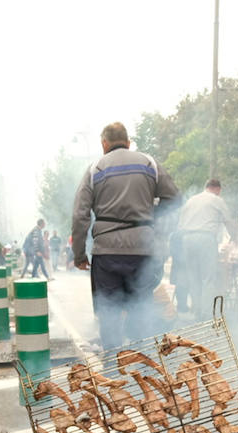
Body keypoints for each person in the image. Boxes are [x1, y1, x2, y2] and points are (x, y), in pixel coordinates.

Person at [70, 122, 178, 350]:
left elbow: (80, 215)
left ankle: (112, 365)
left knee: (109, 314)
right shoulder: (150, 164)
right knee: (140, 308)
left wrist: (79, 254)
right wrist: (152, 223)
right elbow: (174, 198)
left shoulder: (95, 169)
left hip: (106, 253)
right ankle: (142, 367)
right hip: (142, 251)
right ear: (128, 143)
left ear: (104, 144)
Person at [174, 178, 237, 315]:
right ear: (217, 189)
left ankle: (196, 310)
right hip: (205, 238)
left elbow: (180, 225)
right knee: (208, 278)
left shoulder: (191, 200)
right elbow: (228, 221)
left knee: (193, 277)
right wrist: (235, 237)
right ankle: (206, 314)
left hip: (187, 239)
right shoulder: (216, 199)